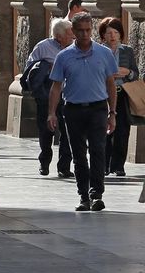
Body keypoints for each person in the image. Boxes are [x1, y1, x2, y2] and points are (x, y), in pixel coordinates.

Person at [47, 12, 118, 212]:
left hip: (97, 108)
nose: (85, 34)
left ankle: (96, 195)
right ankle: (83, 196)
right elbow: (56, 86)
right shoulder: (64, 56)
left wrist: (112, 112)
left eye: (88, 30)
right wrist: (51, 113)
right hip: (73, 110)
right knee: (78, 154)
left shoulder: (104, 53)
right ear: (74, 32)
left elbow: (111, 83)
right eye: (81, 31)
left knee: (98, 150)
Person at [25, 18, 74, 177]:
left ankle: (64, 167)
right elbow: (30, 70)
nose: (73, 36)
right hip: (47, 95)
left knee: (68, 132)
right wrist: (47, 68)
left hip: (68, 96)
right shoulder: (43, 47)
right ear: (59, 36)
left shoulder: (75, 48)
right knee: (46, 131)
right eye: (69, 33)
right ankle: (44, 162)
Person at [96, 16, 138, 177]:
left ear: (120, 34)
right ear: (103, 35)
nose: (112, 36)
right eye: (108, 33)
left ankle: (118, 165)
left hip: (123, 93)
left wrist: (128, 72)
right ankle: (104, 164)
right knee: (104, 130)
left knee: (122, 130)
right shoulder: (98, 50)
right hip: (103, 93)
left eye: (115, 32)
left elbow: (135, 73)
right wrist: (108, 75)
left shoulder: (127, 51)